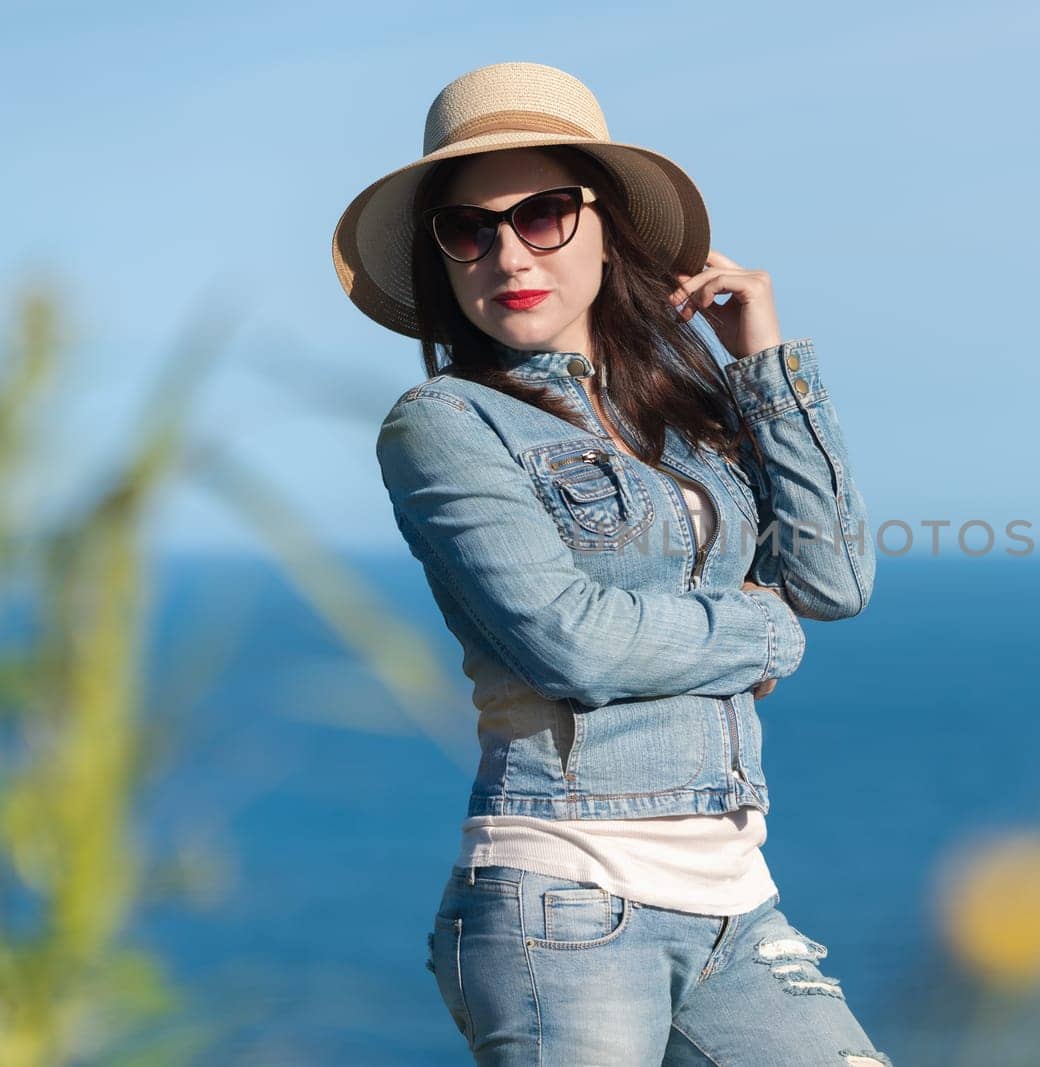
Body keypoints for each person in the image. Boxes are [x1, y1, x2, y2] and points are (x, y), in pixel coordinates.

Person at [330, 61, 889, 1065]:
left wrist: (760, 362)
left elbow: (835, 580)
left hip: (736, 900)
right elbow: (570, 641)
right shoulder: (445, 423)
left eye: (542, 213)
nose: (506, 251)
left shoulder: (683, 420)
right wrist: (762, 629)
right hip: (563, 898)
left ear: (605, 227)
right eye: (469, 229)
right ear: (442, 260)